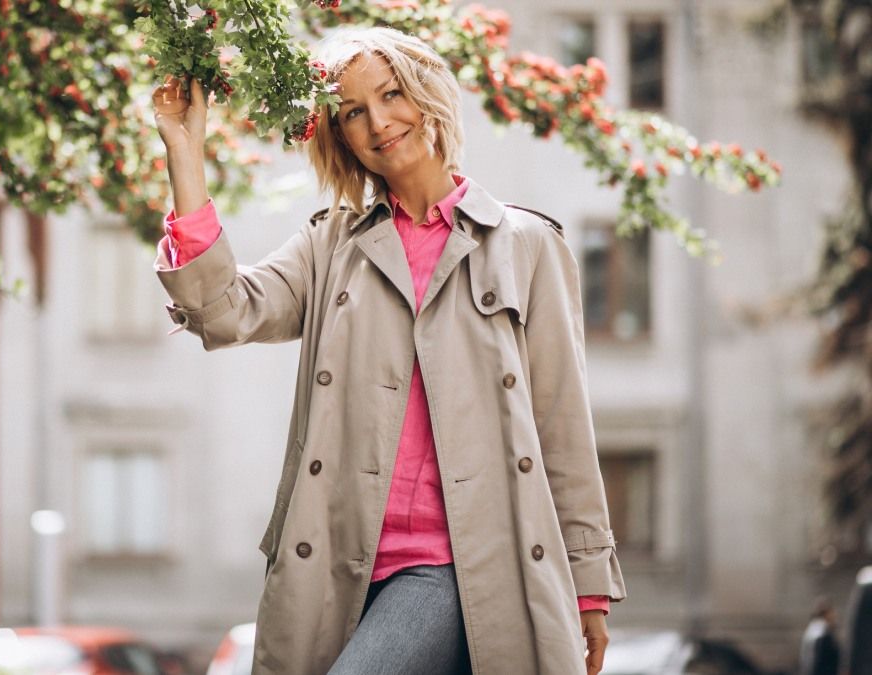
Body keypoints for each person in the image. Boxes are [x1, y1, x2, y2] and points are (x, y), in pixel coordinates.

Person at [150, 26, 625, 675]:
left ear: (427, 94)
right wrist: (186, 151)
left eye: (391, 93)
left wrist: (589, 583)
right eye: (352, 111)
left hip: (457, 567)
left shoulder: (526, 245)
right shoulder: (331, 246)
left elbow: (562, 424)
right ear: (340, 133)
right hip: (336, 566)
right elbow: (224, 311)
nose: (378, 121)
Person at [799, 597, 840, 675]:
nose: (834, 616)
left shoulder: (813, 627)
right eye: (832, 613)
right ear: (826, 614)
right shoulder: (820, 630)